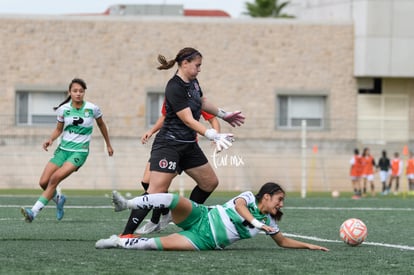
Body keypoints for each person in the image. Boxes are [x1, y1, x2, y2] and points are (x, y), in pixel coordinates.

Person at [102, 47, 245, 240]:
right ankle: (126, 234)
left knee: (209, 182)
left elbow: (202, 102)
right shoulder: (174, 87)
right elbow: (187, 119)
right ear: (185, 63)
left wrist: (224, 114)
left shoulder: (193, 83)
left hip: (188, 145)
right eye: (197, 65)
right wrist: (212, 134)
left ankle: (180, 214)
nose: (200, 69)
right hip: (169, 146)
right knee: (154, 190)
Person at [95, 182, 329, 252]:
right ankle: (126, 204)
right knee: (170, 198)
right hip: (202, 217)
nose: (281, 204)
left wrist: (308, 245)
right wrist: (257, 223)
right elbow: (239, 208)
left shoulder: (270, 222)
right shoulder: (248, 197)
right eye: (279, 199)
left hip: (205, 241)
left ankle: (117, 241)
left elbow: (283, 241)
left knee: (152, 245)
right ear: (266, 197)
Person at [20, 78, 114, 223]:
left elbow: (102, 125)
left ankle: (33, 212)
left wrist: (108, 144)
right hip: (62, 150)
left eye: (81, 91)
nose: (78, 94)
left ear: (84, 93)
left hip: (79, 152)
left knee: (55, 179)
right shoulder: (63, 110)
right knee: (43, 182)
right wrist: (50, 139)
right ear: (69, 92)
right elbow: (59, 129)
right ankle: (59, 199)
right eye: (75, 91)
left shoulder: (92, 108)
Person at [137, 101, 221, 234]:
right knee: (146, 181)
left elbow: (213, 119)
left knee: (157, 186)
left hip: (183, 150)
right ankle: (166, 212)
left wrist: (216, 137)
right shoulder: (171, 96)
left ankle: (156, 221)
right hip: (166, 145)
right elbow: (165, 118)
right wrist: (151, 131)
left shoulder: (192, 100)